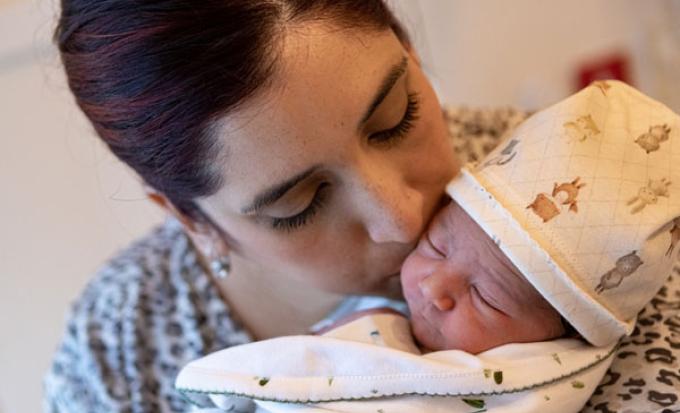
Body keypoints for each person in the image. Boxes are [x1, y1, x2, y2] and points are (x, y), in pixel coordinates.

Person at [43, 1, 680, 412]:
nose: (401, 219)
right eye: (300, 203)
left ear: (409, 50)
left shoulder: (602, 212)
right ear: (191, 220)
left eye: (396, 117)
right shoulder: (118, 351)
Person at [173, 81, 680, 412]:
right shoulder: (116, 335)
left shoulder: (531, 383)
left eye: (488, 298)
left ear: (562, 332)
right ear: (191, 219)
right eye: (437, 245)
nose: (429, 283)